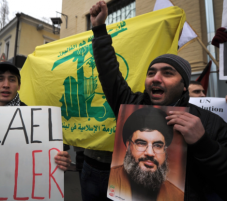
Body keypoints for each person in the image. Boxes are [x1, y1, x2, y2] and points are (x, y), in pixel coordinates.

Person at [82, 1, 227, 200]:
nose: (156, 78)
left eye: (167, 73)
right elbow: (109, 73)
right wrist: (98, 29)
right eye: (151, 73)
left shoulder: (210, 123)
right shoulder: (130, 106)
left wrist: (203, 143)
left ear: (184, 85)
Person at [0, 61, 71, 170]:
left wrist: (60, 161)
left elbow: (50, 156)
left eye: (12, 80)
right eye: (0, 79)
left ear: (19, 85)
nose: (6, 85)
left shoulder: (35, 119)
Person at [109, 107, 183, 201]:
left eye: (158, 146)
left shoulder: (177, 196)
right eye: (141, 143)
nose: (150, 153)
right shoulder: (111, 179)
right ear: (128, 145)